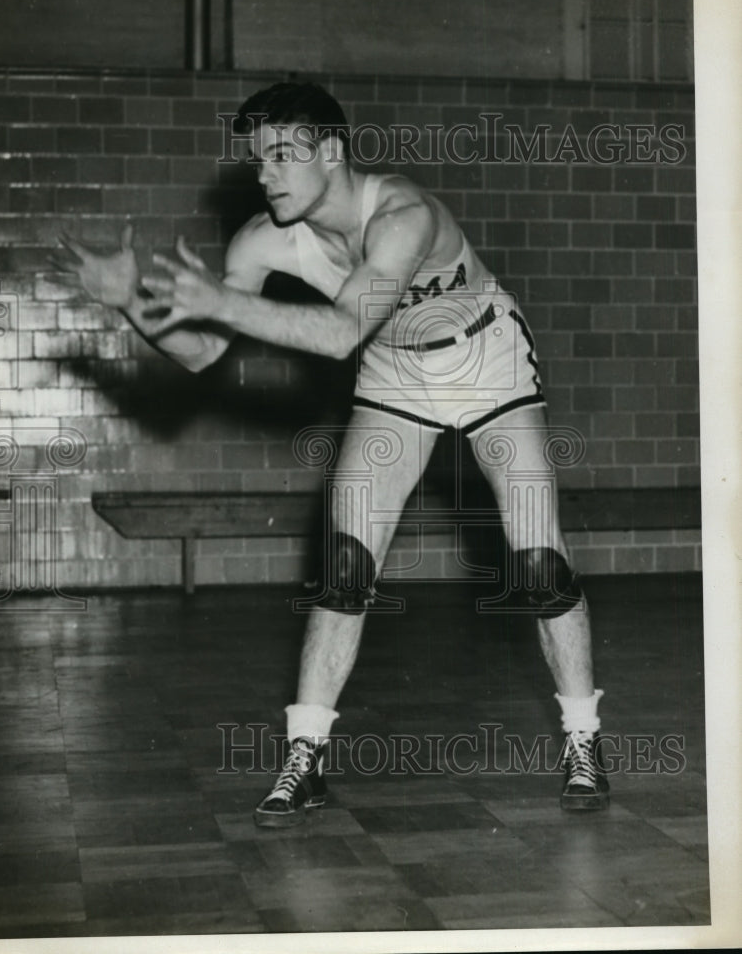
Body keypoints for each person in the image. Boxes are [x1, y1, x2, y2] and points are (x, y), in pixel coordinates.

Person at [49, 81, 609, 827]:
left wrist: (220, 302)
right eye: (257, 160)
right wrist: (129, 303)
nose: (266, 173)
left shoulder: (403, 215)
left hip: (485, 362)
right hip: (392, 375)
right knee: (343, 569)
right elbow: (200, 351)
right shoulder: (261, 239)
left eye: (282, 154)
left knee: (538, 563)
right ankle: (303, 762)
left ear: (331, 152)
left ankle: (583, 742)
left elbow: (341, 330)